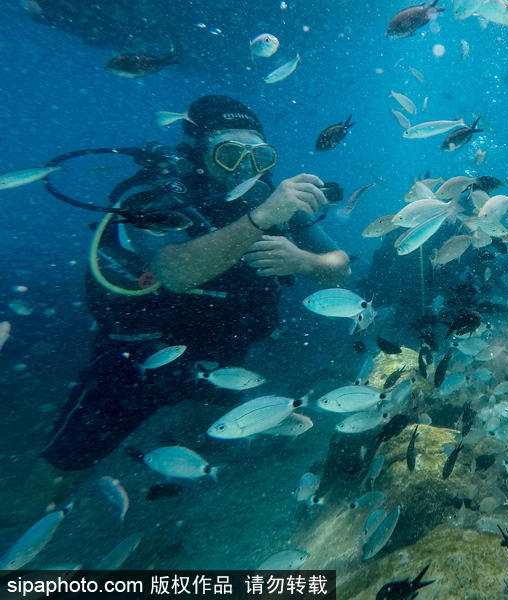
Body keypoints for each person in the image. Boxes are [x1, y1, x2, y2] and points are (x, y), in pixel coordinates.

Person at [14, 95, 350, 518]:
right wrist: (261, 218)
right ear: (197, 152)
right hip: (138, 359)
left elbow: (340, 269)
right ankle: (19, 528)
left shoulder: (271, 198)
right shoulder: (152, 197)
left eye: (259, 156)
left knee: (208, 443)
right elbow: (174, 271)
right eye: (229, 153)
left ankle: (181, 513)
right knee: (60, 472)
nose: (245, 168)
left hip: (223, 353)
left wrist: (304, 262)